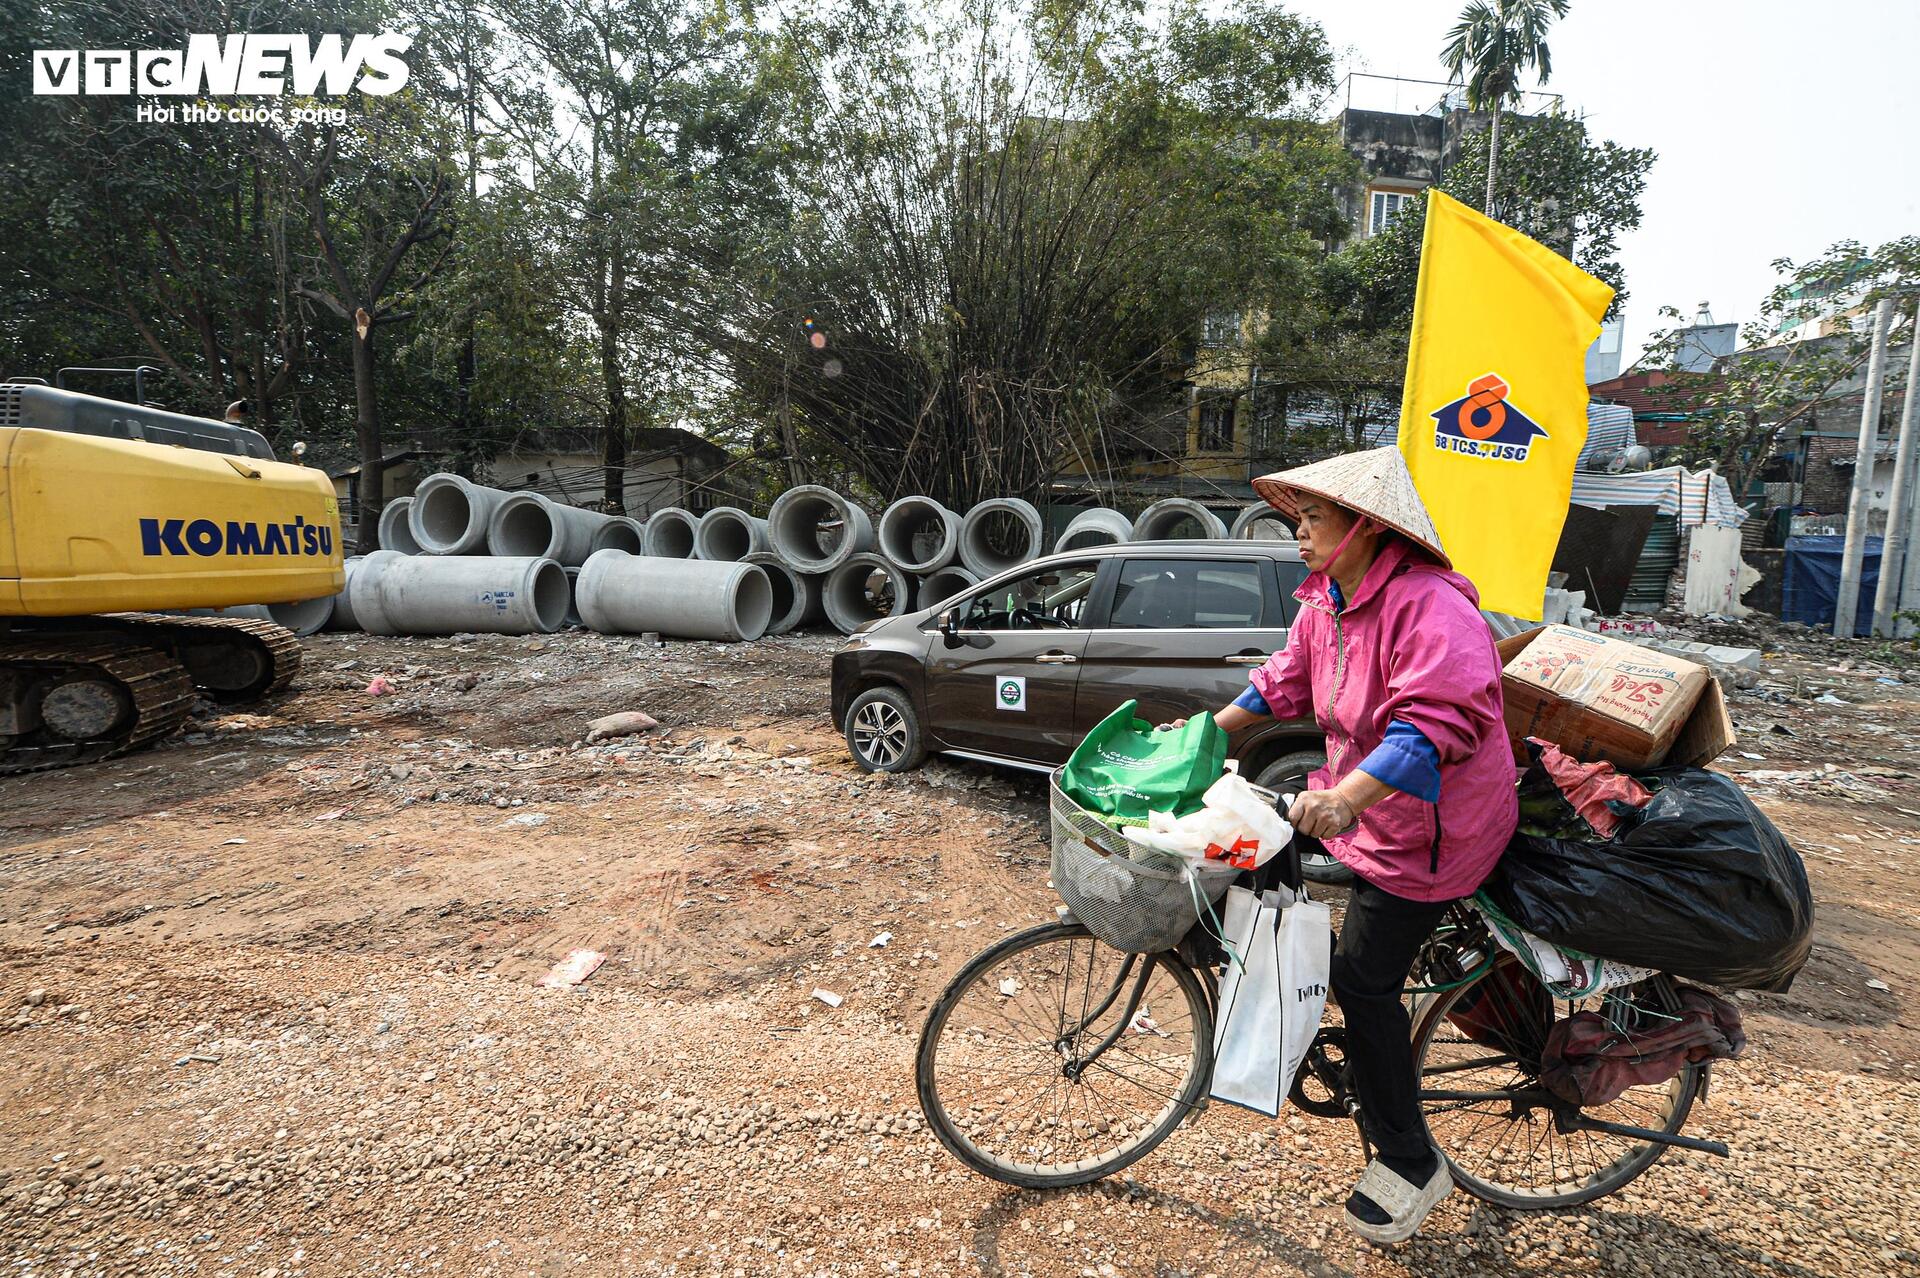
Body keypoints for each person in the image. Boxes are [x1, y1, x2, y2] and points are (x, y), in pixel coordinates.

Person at [1173, 446, 1517, 1244]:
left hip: (1432, 835)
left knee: (1366, 985)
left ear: (1365, 525)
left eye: (1314, 518)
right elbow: (1283, 681)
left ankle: (1410, 1160)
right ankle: (1291, 1016)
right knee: (1253, 869)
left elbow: (1437, 723)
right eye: (1299, 518)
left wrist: (1347, 797)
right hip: (1367, 814)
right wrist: (1196, 738)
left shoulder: (1432, 607)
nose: (1298, 532)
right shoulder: (1327, 598)